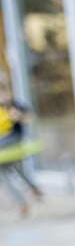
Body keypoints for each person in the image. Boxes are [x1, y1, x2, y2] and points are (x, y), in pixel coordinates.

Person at [0, 76, 44, 216]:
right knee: (6, 174)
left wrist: (19, 116)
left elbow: (30, 118)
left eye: (3, 92)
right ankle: (23, 201)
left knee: (18, 170)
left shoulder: (16, 104)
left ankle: (31, 191)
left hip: (14, 143)